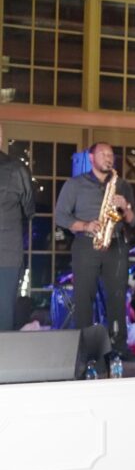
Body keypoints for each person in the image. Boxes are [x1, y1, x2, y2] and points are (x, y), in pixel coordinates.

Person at [55, 142, 135, 364]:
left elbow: (133, 220)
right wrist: (85, 225)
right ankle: (85, 351)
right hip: (87, 244)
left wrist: (125, 207)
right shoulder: (75, 184)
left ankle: (119, 347)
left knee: (117, 298)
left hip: (116, 245)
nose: (108, 157)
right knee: (84, 299)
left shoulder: (122, 185)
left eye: (111, 154)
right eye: (103, 154)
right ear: (91, 158)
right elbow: (60, 216)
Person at [0, 125, 33, 332]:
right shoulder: (17, 169)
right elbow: (29, 209)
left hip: (8, 251)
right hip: (7, 250)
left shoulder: (17, 169)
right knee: (4, 309)